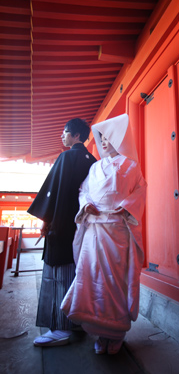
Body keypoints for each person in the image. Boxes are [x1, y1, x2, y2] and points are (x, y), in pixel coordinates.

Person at [61, 113, 147, 355]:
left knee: (115, 281)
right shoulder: (95, 166)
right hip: (94, 231)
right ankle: (100, 332)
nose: (105, 142)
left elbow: (141, 190)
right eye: (102, 138)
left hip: (118, 230)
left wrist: (127, 206)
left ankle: (116, 332)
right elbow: (83, 190)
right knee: (92, 277)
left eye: (110, 137)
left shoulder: (131, 165)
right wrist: (85, 204)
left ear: (120, 139)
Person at [27, 118, 97, 347]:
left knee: (58, 274)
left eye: (65, 133)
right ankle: (78, 321)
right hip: (85, 228)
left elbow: (54, 193)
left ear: (77, 136)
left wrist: (46, 219)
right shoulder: (94, 161)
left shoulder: (67, 157)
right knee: (79, 272)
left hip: (63, 224)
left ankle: (60, 328)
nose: (62, 136)